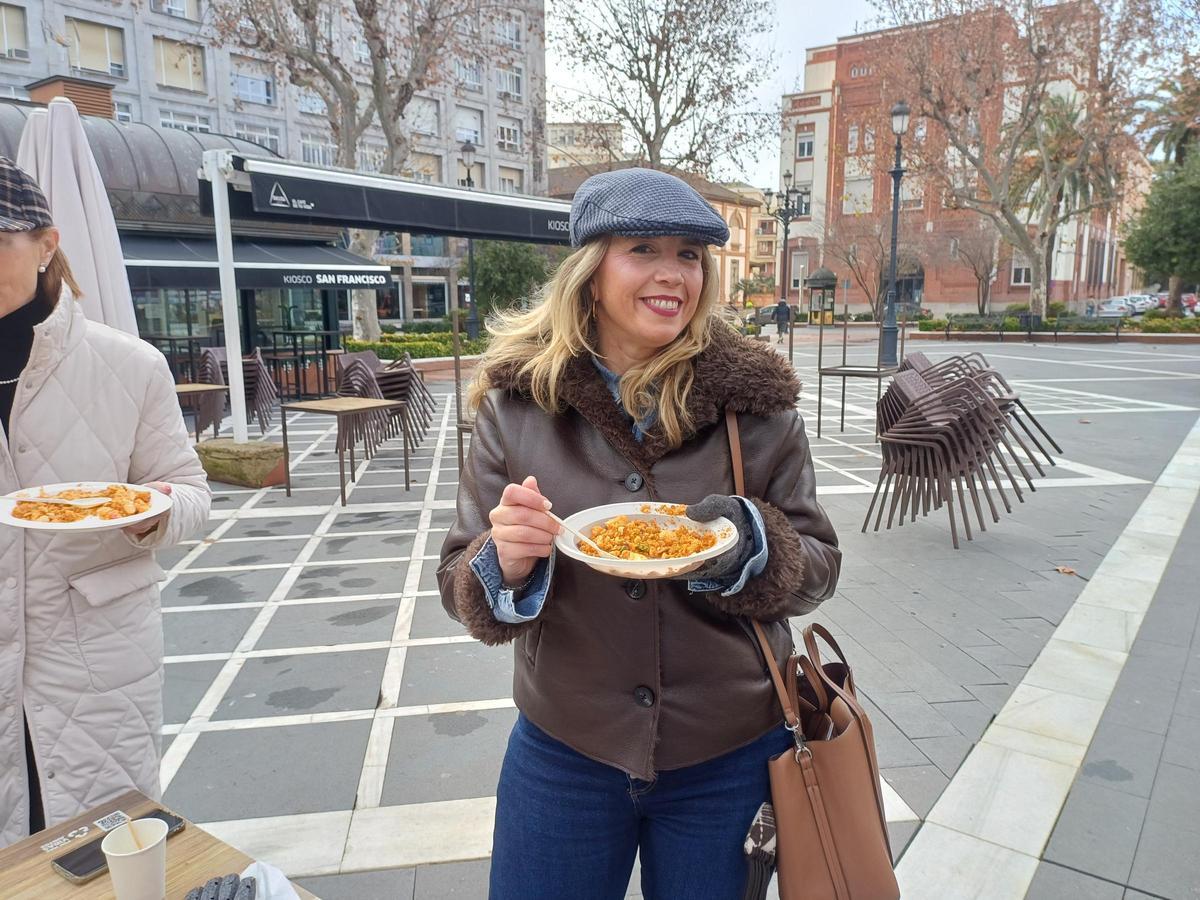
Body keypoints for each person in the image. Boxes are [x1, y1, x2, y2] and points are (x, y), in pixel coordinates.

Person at [439, 167, 840, 900]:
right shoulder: (518, 404)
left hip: (729, 753)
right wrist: (504, 562)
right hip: (566, 749)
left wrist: (756, 545)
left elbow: (819, 565)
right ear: (591, 273)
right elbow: (457, 577)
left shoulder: (756, 404)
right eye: (645, 249)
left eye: (689, 254)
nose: (672, 275)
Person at [0, 158, 211, 848]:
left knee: (94, 852)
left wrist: (153, 511)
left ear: (48, 244)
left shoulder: (129, 365)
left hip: (93, 661)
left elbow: (192, 494)